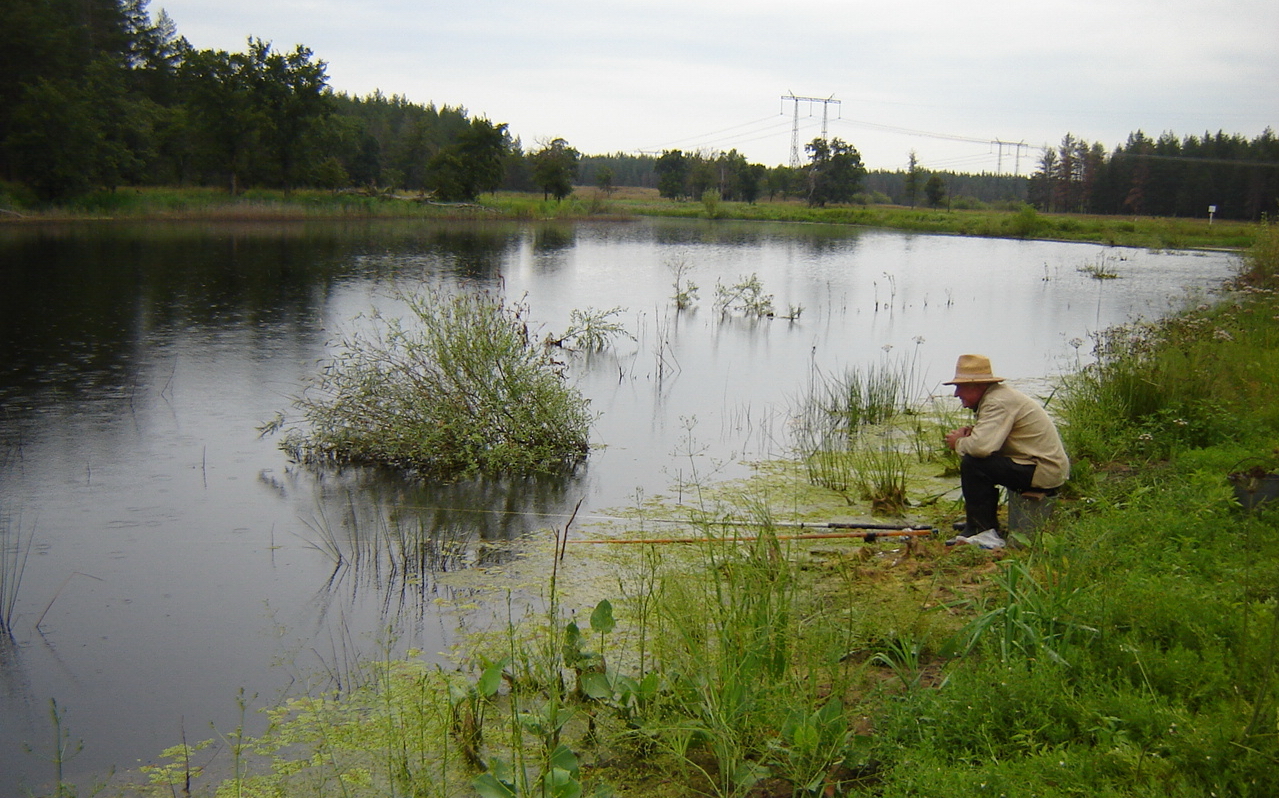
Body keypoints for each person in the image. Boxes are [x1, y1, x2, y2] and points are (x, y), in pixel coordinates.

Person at [943, 354, 1069, 542]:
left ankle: (980, 527)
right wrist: (972, 436)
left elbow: (981, 448)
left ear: (975, 386)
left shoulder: (997, 402)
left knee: (973, 463)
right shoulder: (996, 397)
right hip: (1039, 466)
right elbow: (990, 440)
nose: (956, 394)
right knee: (977, 461)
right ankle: (981, 522)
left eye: (959, 387)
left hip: (1042, 470)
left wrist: (959, 442)